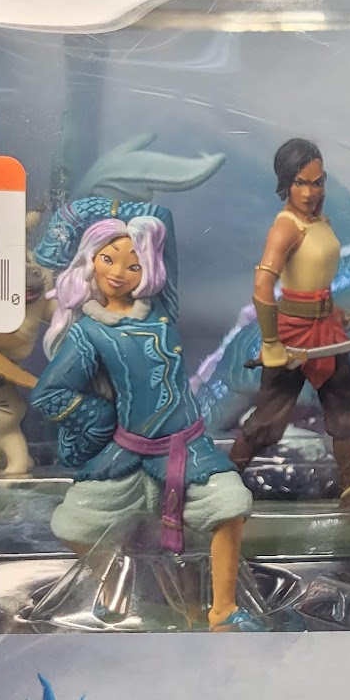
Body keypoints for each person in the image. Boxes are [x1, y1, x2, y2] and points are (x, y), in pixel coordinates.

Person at [32, 201, 257, 630]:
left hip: (188, 448)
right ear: (91, 261)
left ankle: (223, 610)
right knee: (74, 525)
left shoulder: (160, 309)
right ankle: (116, 591)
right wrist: (97, 418)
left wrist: (100, 208)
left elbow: (161, 218)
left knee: (231, 504)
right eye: (108, 259)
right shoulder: (87, 333)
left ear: (148, 270)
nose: (118, 272)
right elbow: (49, 393)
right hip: (129, 454)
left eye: (133, 265)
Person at [230, 139, 350, 495]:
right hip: (292, 333)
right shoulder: (286, 227)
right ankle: (221, 483)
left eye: (316, 182)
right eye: (300, 183)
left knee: (346, 414)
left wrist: (334, 312)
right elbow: (263, 284)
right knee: (267, 421)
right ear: (286, 182)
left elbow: (315, 277)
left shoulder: (319, 221)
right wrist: (272, 342)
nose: (309, 192)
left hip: (327, 331)